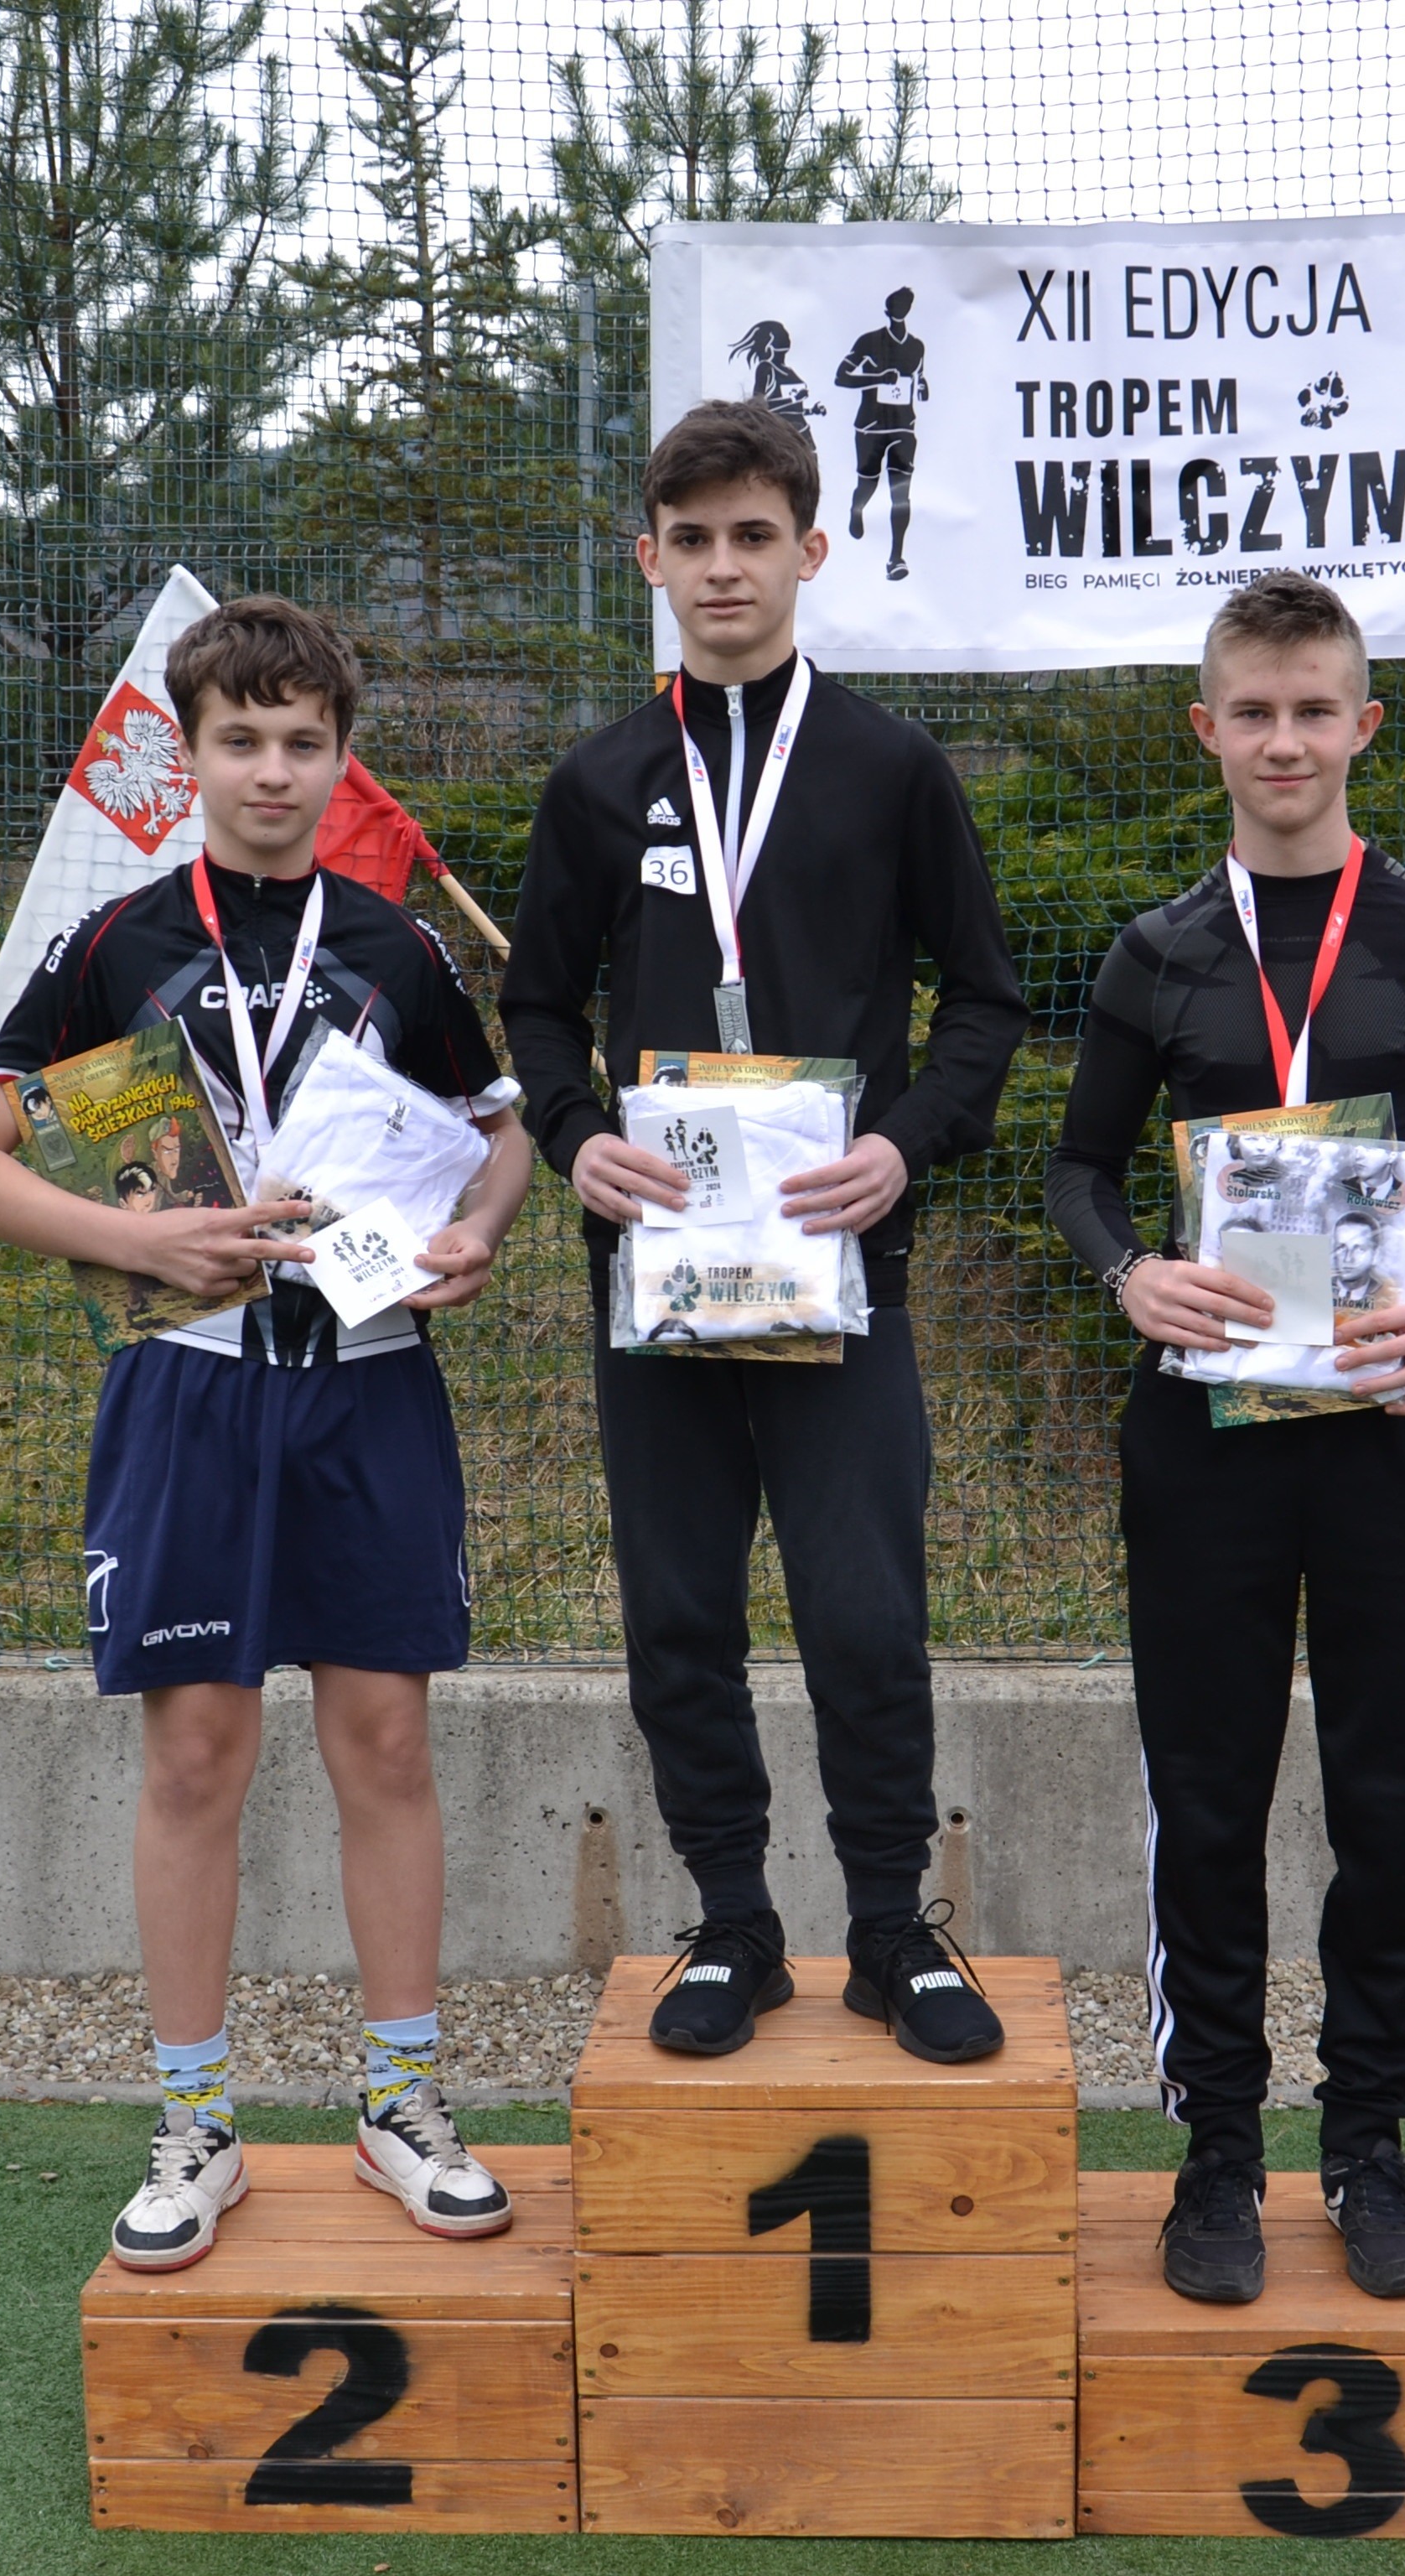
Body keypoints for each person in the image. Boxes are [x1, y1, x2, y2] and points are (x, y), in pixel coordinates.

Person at [0, 595, 537, 2268]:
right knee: (197, 1753)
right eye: (240, 740)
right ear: (185, 754)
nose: (272, 771)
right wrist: (145, 1240)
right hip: (187, 1385)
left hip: (369, 1379)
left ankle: (401, 2099)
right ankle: (196, 2123)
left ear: (341, 761)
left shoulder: (398, 948)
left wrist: (476, 1232)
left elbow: (499, 1138)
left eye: (303, 743)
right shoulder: (114, 943)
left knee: (384, 1743)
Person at [1043, 572, 1405, 2304]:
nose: (1283, 741)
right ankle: (1214, 2152)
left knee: (1390, 1800)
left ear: (1362, 726)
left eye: (1312, 710)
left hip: (1401, 1428)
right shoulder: (1158, 953)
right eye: (1252, 713)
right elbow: (1075, 1172)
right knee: (1205, 1801)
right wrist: (1131, 1273)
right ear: (1207, 730)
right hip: (1208, 1441)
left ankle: (1368, 2142)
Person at [500, 398, 1029, 2063]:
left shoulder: (888, 768)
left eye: (753, 537)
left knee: (863, 1612)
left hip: (837, 1267)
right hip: (657, 1278)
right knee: (681, 1618)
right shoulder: (599, 782)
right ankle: (732, 1924)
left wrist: (900, 1147)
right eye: (692, 539)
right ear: (646, 560)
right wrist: (575, 1138)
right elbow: (533, 1008)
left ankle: (889, 1930)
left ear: (810, 550)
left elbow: (986, 1005)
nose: (722, 567)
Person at [831, 288, 928, 580]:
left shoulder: (917, 346)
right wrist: (878, 378)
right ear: (888, 309)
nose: (902, 308)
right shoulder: (869, 341)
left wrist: (923, 388)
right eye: (897, 304)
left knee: (901, 494)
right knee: (868, 484)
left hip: (903, 426)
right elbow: (841, 377)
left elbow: (920, 379)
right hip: (871, 426)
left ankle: (896, 558)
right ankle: (857, 507)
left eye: (906, 304)